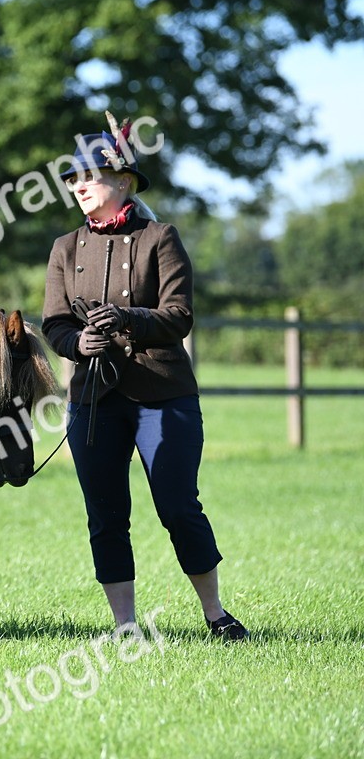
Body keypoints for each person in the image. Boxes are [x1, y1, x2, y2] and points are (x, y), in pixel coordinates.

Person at [41, 116, 248, 641]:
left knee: (178, 505)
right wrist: (77, 343)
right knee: (106, 515)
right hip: (94, 399)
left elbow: (179, 316)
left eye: (90, 176)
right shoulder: (65, 248)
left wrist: (129, 319)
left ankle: (216, 614)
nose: (79, 186)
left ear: (124, 181)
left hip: (163, 394)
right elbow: (55, 323)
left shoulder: (161, 238)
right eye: (73, 179)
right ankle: (125, 626)